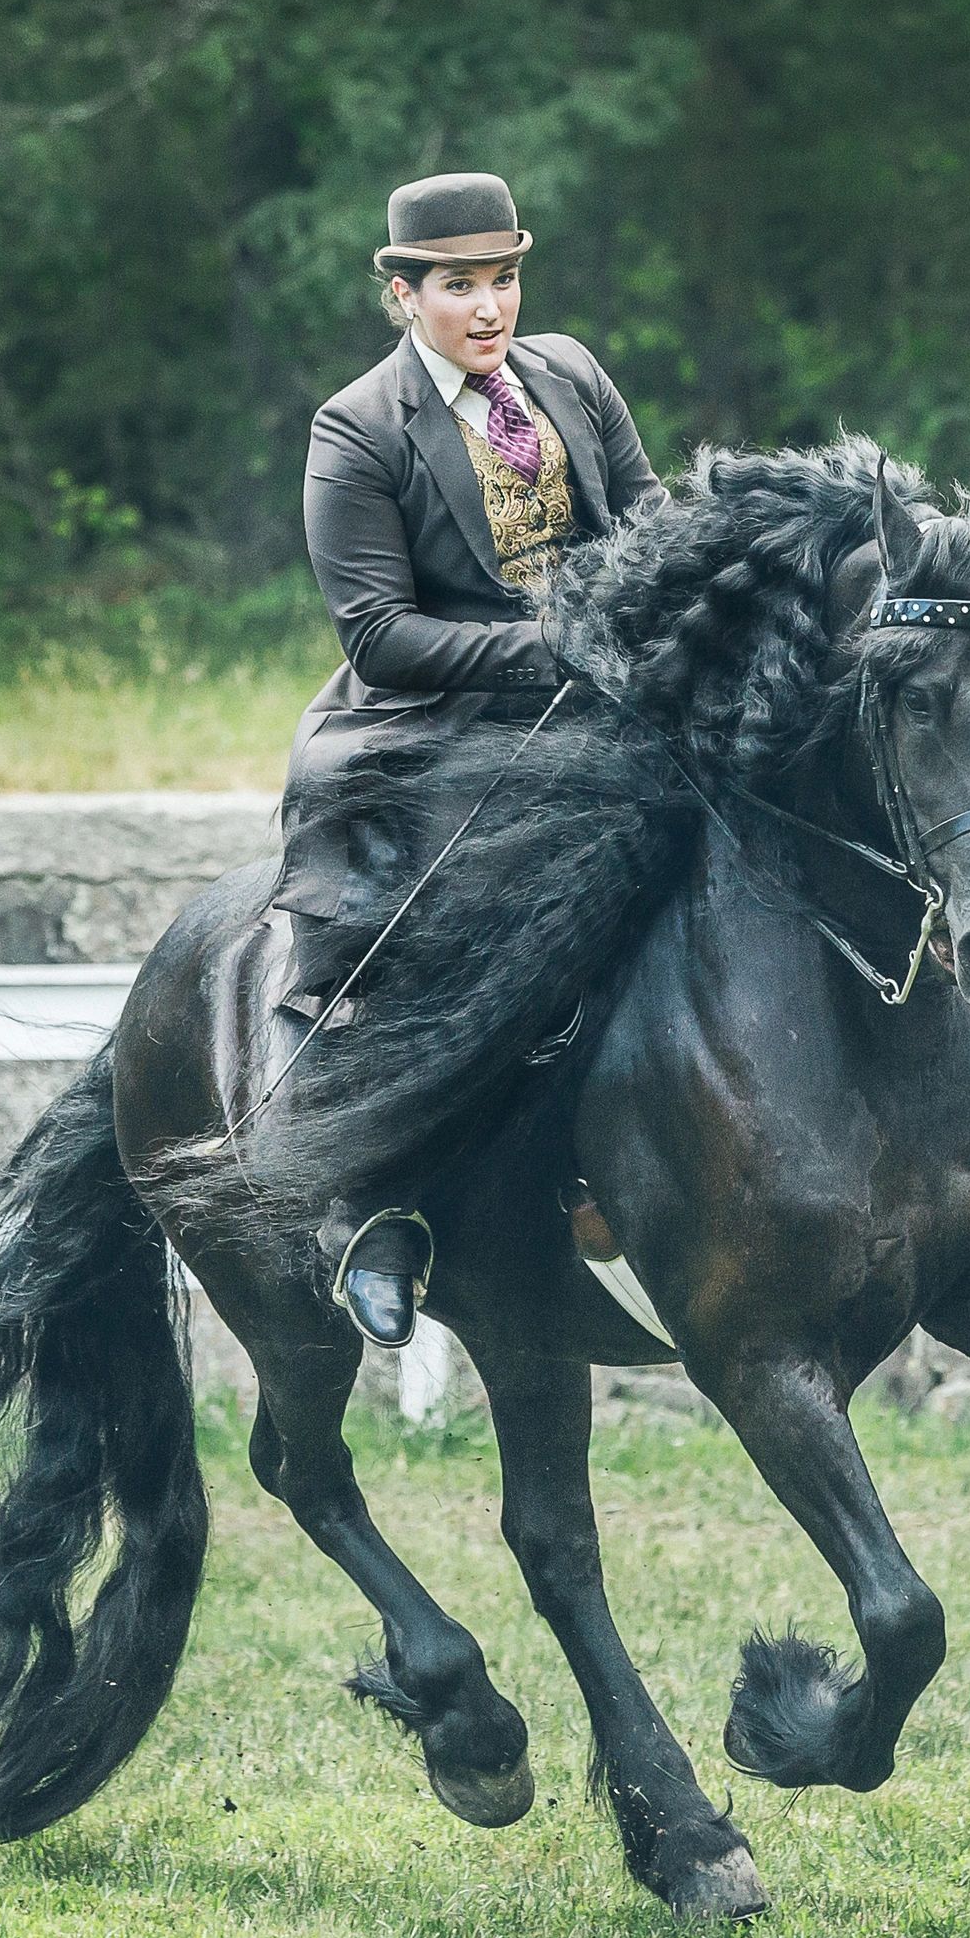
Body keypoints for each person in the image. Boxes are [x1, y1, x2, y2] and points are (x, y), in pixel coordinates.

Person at [271, 171, 662, 1349]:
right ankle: (372, 1200)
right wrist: (551, 648)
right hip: (438, 712)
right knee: (418, 913)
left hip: (606, 691)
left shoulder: (571, 373)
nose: (489, 308)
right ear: (402, 294)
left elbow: (644, 515)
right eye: (458, 287)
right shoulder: (356, 426)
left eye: (502, 280)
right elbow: (379, 633)